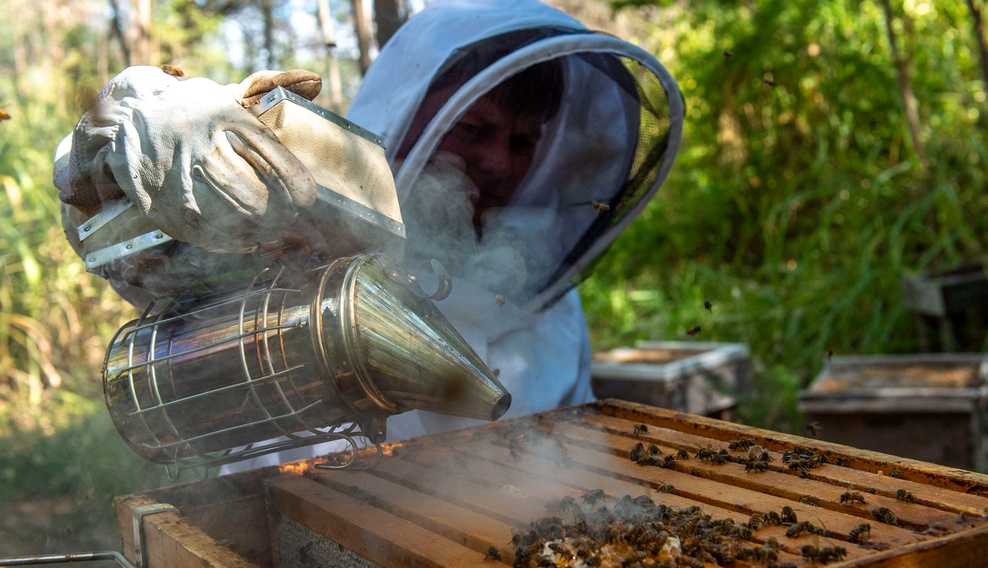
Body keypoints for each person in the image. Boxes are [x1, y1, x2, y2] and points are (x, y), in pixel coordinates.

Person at [53, 0, 684, 471]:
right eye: (473, 129)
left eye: (523, 142)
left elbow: (574, 456)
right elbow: (153, 273)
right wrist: (117, 168)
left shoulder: (545, 298)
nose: (499, 162)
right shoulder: (287, 223)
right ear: (407, 112)